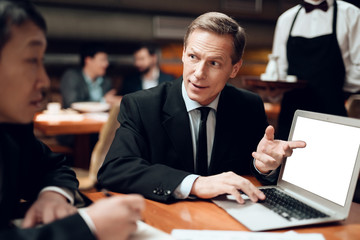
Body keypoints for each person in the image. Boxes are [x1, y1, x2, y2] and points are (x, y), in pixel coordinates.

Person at [97, 12, 306, 204]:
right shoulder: (142, 105)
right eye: (193, 57)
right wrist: (196, 183)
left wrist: (263, 166)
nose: (199, 73)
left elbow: (251, 168)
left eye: (214, 63)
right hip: (167, 217)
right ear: (183, 53)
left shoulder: (248, 105)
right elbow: (115, 170)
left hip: (229, 220)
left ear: (234, 69)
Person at [0, 1, 144, 239]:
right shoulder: (71, 79)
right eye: (31, 60)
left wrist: (52, 195)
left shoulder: (13, 129)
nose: (45, 82)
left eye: (42, 60)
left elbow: (54, 167)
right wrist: (88, 226)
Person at [270, 0, 360, 140]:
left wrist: (332, 85)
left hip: (332, 115)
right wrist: (273, 90)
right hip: (292, 116)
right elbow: (279, 70)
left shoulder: (351, 14)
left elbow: (358, 69)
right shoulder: (286, 19)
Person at [60, 43, 119, 109]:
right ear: (88, 60)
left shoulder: (106, 81)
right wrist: (103, 101)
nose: (106, 64)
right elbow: (71, 103)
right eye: (103, 60)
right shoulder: (71, 76)